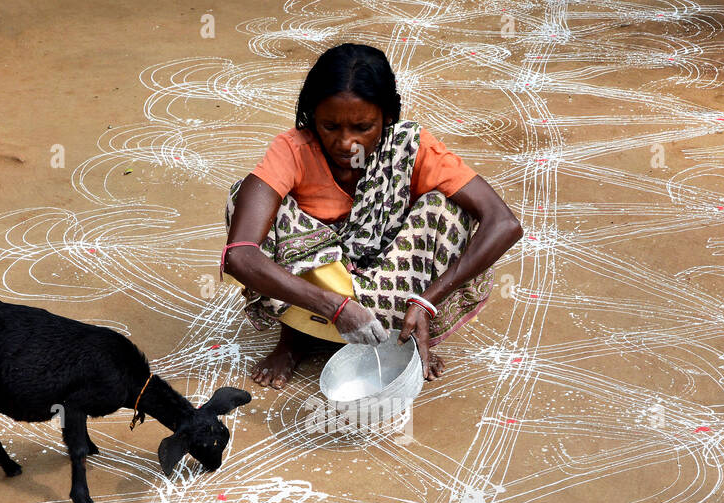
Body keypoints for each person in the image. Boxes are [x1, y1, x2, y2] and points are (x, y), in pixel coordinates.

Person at [222, 43, 523, 388]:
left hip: (387, 281)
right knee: (244, 195)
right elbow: (239, 255)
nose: (346, 142)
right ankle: (296, 339)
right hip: (319, 287)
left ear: (387, 118)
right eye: (330, 126)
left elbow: (504, 222)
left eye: (363, 127)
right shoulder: (292, 151)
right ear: (311, 118)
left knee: (448, 210)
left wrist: (428, 300)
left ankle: (406, 335)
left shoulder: (410, 147)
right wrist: (334, 306)